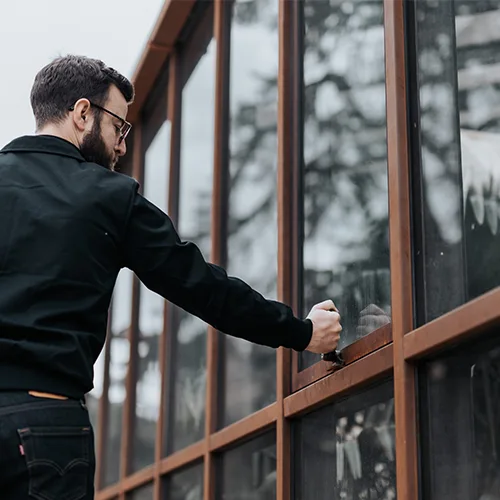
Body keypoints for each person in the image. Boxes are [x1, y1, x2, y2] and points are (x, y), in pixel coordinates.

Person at [0, 55, 342, 499]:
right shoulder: (108, 196)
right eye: (117, 127)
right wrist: (302, 332)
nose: (121, 145)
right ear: (82, 113)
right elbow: (202, 287)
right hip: (44, 422)